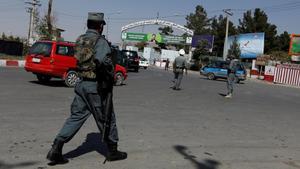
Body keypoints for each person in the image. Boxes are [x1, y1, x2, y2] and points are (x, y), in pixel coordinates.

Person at [46, 12, 127, 165]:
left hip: (81, 84)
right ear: (100, 26)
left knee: (76, 117)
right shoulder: (99, 41)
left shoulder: (80, 39)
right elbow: (104, 62)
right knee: (107, 117)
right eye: (102, 25)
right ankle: (112, 151)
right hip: (95, 86)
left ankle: (56, 147)